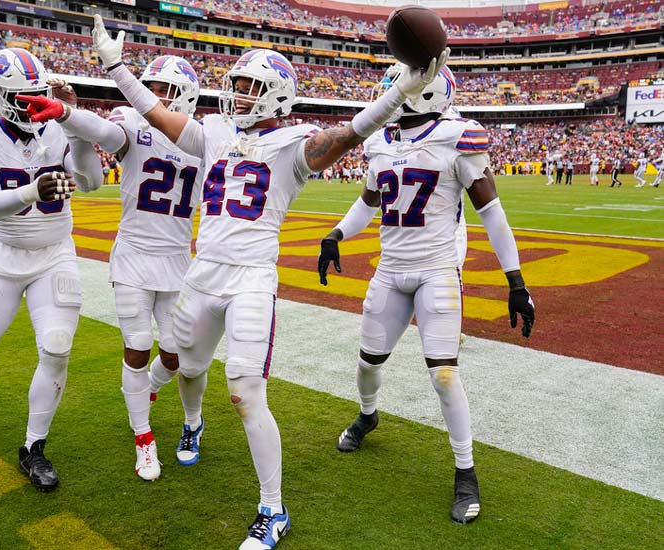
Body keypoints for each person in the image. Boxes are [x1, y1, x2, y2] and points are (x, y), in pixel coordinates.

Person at [81, 15, 447, 550]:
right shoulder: (216, 133)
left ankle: (272, 509)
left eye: (250, 87)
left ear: (276, 96)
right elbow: (156, 113)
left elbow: (350, 133)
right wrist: (116, 68)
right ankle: (177, 412)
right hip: (202, 275)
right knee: (184, 364)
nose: (238, 95)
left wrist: (396, 97)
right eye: (236, 85)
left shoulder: (296, 145)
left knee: (246, 391)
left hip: (252, 277)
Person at [317, 64, 535, 525]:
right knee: (366, 363)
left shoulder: (457, 137)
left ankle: (466, 472)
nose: (389, 95)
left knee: (443, 375)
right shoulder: (381, 142)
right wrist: (336, 234)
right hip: (390, 271)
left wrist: (516, 282)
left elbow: (492, 215)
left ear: (426, 91)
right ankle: (368, 415)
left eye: (399, 86)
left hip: (437, 271)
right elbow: (369, 202)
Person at [17, 54, 203, 482]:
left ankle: (147, 392)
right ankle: (144, 438)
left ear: (187, 98)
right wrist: (68, 113)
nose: (156, 97)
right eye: (152, 87)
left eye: (165, 91)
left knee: (178, 357)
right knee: (137, 346)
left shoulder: (201, 138)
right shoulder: (132, 123)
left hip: (177, 260)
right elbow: (102, 131)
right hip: (134, 256)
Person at [0, 48, 103, 492]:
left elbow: (92, 181)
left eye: (38, 94)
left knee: (56, 346)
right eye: (22, 96)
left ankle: (33, 448)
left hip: (54, 252)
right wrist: (33, 190)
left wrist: (76, 127)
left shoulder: (56, 129)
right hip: (3, 254)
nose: (32, 105)